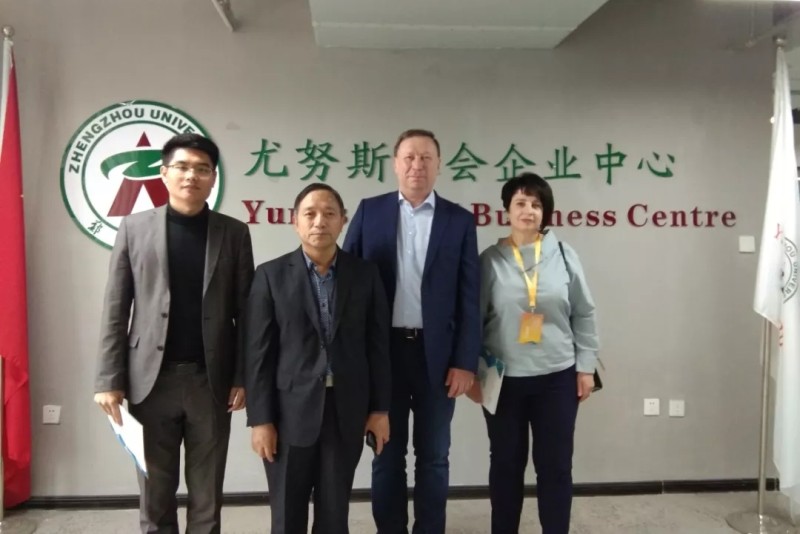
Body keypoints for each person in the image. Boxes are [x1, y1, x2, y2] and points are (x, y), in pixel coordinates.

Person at [93, 133, 255, 534]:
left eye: (202, 169)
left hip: (210, 382)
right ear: (164, 174)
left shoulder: (233, 233)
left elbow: (247, 312)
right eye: (182, 167)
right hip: (149, 382)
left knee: (207, 495)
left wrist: (242, 376)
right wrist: (109, 379)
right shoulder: (133, 228)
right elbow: (116, 308)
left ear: (213, 178)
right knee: (154, 493)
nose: (191, 176)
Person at [343, 128, 481, 534]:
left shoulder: (459, 220)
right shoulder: (370, 211)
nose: (417, 165)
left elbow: (469, 296)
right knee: (385, 452)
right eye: (409, 157)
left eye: (425, 158)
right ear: (395, 164)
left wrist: (465, 361)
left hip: (437, 358)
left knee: (434, 456)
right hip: (382, 353)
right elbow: (347, 280)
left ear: (438, 165)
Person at [243, 183, 392, 534]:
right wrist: (261, 420)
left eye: (329, 213)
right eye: (309, 214)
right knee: (286, 515)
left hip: (346, 411)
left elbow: (378, 347)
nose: (319, 222)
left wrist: (380, 410)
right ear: (295, 221)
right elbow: (258, 354)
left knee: (334, 516)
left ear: (343, 220)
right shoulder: (270, 275)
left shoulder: (365, 274)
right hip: (287, 415)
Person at [468, 172, 600, 534]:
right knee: (506, 466)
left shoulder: (564, 254)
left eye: (536, 204)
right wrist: (471, 372)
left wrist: (585, 368)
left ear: (545, 212)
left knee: (555, 467)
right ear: (507, 211)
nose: (529, 210)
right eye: (521, 203)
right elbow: (473, 320)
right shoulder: (489, 260)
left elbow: (584, 313)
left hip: (557, 378)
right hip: (503, 381)